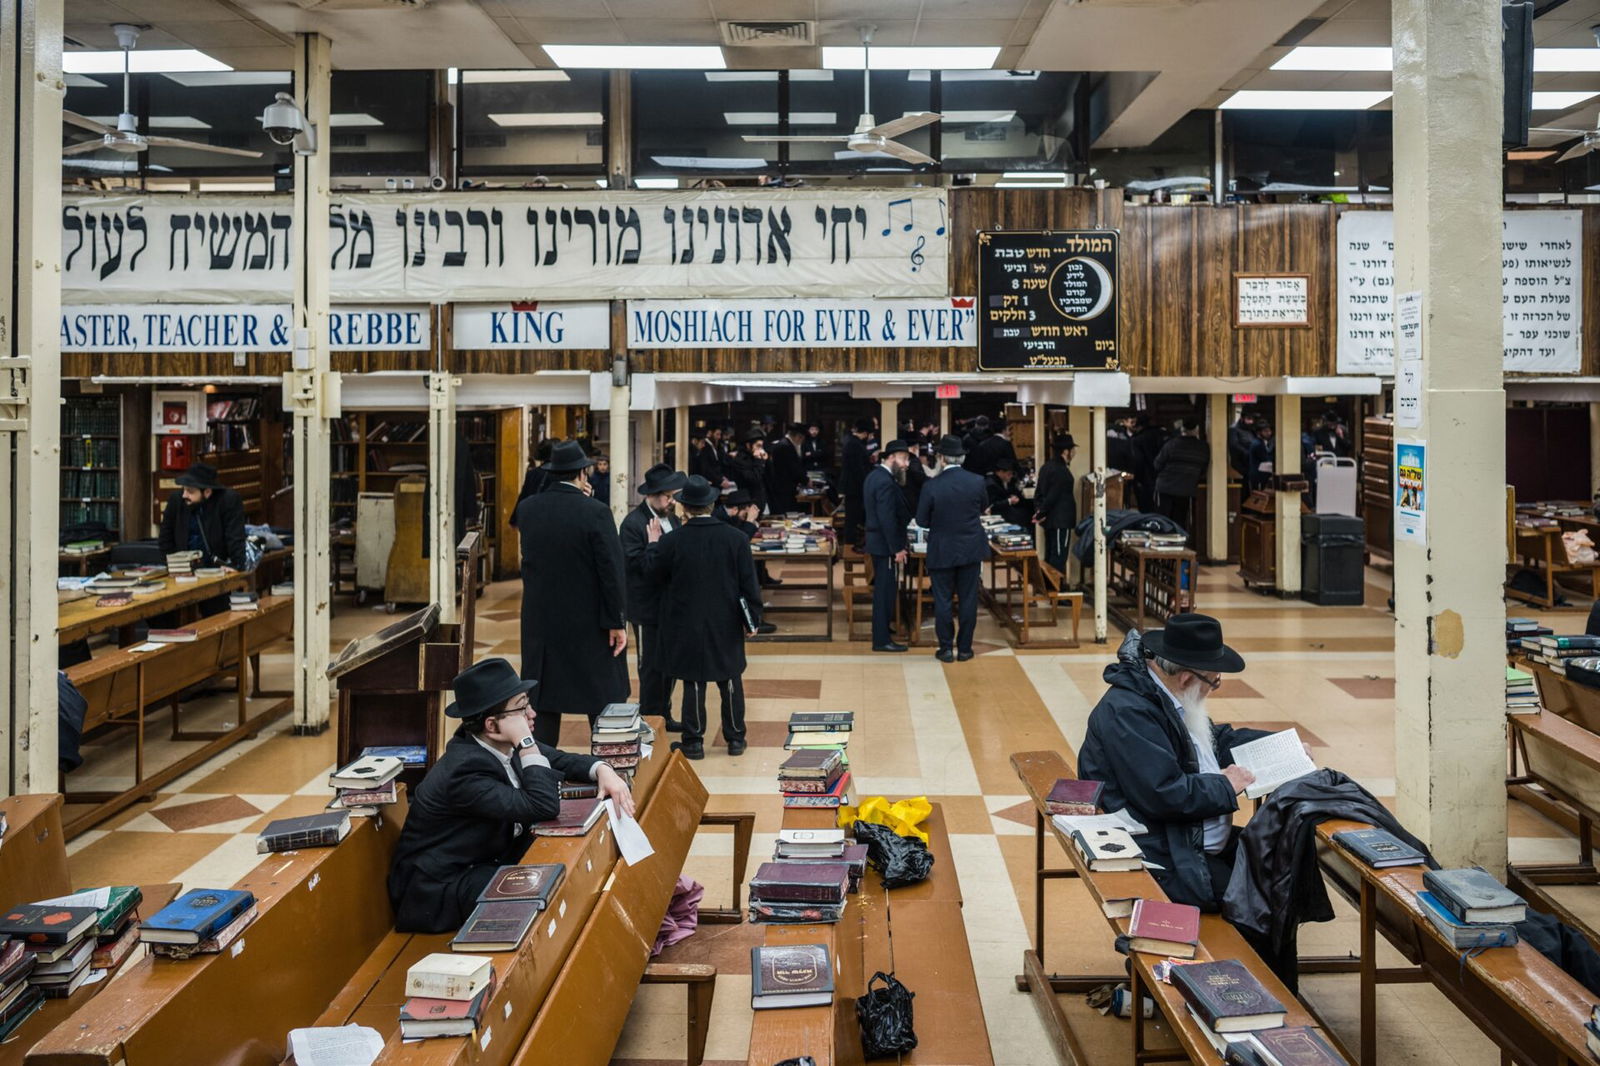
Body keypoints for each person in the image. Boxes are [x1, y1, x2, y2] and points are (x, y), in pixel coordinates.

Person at [386, 657, 634, 933]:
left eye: (527, 703)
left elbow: (558, 758)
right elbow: (542, 805)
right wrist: (526, 741)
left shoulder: (497, 742)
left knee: (569, 864)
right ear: (492, 726)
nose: (532, 714)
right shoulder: (465, 770)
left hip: (484, 860)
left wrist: (602, 769)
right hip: (440, 888)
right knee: (544, 891)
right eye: (521, 709)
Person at [1076, 614, 1274, 912]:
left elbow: (1212, 741)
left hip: (1183, 839)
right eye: (1214, 680)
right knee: (1261, 902)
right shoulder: (1130, 712)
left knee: (1278, 862)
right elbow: (1165, 793)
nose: (1215, 687)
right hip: (1160, 851)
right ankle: (1248, 959)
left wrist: (1277, 746)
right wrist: (1225, 785)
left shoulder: (1163, 694)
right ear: (1187, 678)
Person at [514, 440, 628, 746]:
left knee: (544, 705)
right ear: (582, 474)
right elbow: (611, 572)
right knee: (602, 703)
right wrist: (617, 621)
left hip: (542, 626)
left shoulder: (527, 510)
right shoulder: (596, 513)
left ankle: (540, 774)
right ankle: (611, 770)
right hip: (589, 623)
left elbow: (549, 517)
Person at [647, 475, 762, 760]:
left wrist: (652, 544)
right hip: (726, 619)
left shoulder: (672, 541)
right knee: (730, 678)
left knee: (693, 681)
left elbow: (654, 575)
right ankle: (735, 738)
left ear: (685, 508)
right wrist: (753, 620)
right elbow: (749, 583)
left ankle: (694, 741)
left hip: (685, 621)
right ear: (712, 504)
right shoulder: (735, 538)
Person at [619, 463, 686, 732]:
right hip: (647, 607)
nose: (671, 501)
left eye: (673, 496)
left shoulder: (674, 518)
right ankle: (649, 719)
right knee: (650, 667)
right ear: (653, 495)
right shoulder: (633, 524)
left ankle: (664, 714)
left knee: (670, 664)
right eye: (667, 496)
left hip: (672, 604)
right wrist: (655, 545)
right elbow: (638, 568)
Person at [915, 435, 990, 663]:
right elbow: (983, 507)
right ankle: (965, 649)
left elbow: (921, 520)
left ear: (942, 458)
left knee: (943, 600)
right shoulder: (977, 481)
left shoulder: (932, 485)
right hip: (970, 549)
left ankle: (946, 648)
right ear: (962, 457)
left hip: (942, 549)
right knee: (968, 600)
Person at [863, 440, 913, 653]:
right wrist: (897, 548)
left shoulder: (876, 476)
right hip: (884, 545)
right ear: (891, 458)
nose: (906, 464)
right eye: (903, 459)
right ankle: (881, 640)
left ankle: (883, 630)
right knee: (884, 592)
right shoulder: (884, 480)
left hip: (880, 542)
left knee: (886, 590)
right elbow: (887, 517)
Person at [158, 460, 249, 572]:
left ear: (207, 492)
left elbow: (235, 537)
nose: (184, 495)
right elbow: (165, 538)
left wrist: (236, 565)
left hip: (216, 568)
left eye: (190, 491)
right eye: (184, 489)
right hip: (182, 569)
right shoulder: (176, 500)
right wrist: (172, 566)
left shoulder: (228, 501)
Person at [1153, 419, 1209, 532]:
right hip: (1186, 489)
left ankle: (1162, 542)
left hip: (1165, 488)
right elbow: (1203, 469)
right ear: (1197, 430)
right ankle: (1179, 544)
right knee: (1180, 519)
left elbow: (1157, 464)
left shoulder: (1171, 444)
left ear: (1182, 430)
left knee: (1163, 519)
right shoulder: (1203, 447)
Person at [1033, 435, 1078, 573]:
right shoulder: (1061, 471)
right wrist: (1042, 513)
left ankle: (1049, 588)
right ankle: (1055, 589)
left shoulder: (1046, 467)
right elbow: (1053, 496)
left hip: (1050, 521)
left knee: (1050, 553)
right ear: (1065, 451)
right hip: (1060, 520)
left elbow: (1038, 493)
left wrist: (1040, 511)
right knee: (1058, 557)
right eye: (1072, 450)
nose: (1074, 453)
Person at [839, 417, 876, 549]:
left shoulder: (851, 442)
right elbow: (859, 470)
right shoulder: (855, 445)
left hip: (853, 487)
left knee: (853, 518)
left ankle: (852, 543)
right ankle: (850, 546)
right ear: (865, 433)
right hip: (855, 487)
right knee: (853, 518)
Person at [766, 423, 807, 515]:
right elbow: (793, 468)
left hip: (782, 485)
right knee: (786, 512)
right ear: (798, 437)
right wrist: (805, 480)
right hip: (783, 486)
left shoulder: (784, 444)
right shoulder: (786, 446)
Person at [984, 458, 1032, 527]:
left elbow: (1013, 492)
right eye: (1009, 474)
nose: (1011, 476)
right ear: (1000, 472)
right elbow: (992, 505)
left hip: (1007, 508)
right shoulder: (992, 484)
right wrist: (1009, 500)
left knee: (1028, 510)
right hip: (998, 512)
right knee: (1024, 515)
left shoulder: (1007, 481)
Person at [1228, 410, 1259, 479]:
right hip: (1240, 461)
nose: (1251, 422)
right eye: (1248, 419)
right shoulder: (1234, 429)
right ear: (1242, 419)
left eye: (1252, 419)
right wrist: (1246, 452)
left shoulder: (1251, 429)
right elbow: (1234, 445)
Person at [1247, 421, 1275, 492]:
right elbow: (1265, 458)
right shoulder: (1258, 444)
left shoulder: (1260, 442)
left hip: (1259, 474)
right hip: (1259, 475)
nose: (1269, 433)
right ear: (1259, 432)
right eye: (1265, 431)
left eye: (1269, 431)